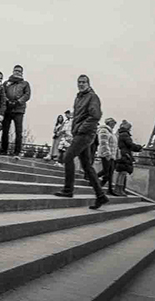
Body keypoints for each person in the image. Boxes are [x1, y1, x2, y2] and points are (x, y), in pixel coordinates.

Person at [53, 75, 109, 210]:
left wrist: (80, 129)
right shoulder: (79, 97)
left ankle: (68, 190)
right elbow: (78, 117)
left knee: (67, 157)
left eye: (84, 82)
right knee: (87, 165)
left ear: (88, 83)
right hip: (80, 133)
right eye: (79, 82)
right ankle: (101, 195)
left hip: (85, 134)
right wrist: (75, 130)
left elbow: (95, 116)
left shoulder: (92, 97)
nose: (81, 84)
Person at [0, 65, 32, 158]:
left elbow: (27, 95)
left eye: (19, 71)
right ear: (13, 71)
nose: (17, 72)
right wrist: (7, 101)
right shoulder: (6, 83)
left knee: (18, 131)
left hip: (19, 110)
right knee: (5, 130)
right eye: (16, 70)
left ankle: (17, 152)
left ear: (22, 73)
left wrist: (18, 102)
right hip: (8, 109)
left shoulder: (25, 84)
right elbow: (2, 93)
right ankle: (3, 150)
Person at [112, 120, 143, 196]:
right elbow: (130, 144)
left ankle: (118, 189)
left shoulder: (119, 134)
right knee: (123, 173)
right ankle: (119, 190)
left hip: (121, 154)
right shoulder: (125, 135)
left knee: (121, 173)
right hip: (125, 155)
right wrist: (139, 148)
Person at [96, 118, 116, 195]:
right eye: (113, 123)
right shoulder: (104, 130)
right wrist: (107, 153)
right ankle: (94, 180)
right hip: (106, 154)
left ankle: (110, 189)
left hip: (112, 155)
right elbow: (103, 142)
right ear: (109, 123)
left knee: (110, 173)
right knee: (106, 171)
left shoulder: (111, 132)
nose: (114, 125)